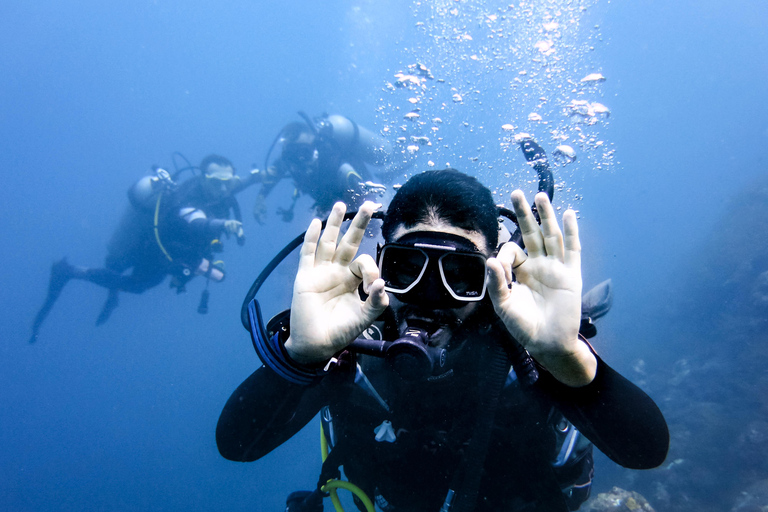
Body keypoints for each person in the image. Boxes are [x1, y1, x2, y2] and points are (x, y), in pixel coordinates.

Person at [216, 169, 669, 511]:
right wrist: (301, 358)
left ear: (495, 273)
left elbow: (647, 450)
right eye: (406, 269)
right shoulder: (350, 343)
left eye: (461, 276)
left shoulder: (526, 346)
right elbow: (238, 447)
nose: (431, 297)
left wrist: (565, 358)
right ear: (378, 264)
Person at [29, 155, 258, 342]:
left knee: (122, 273)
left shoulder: (221, 193)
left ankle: (109, 292)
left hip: (169, 249)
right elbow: (194, 220)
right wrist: (222, 224)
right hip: (154, 249)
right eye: (216, 181)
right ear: (203, 177)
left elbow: (241, 182)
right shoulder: (189, 196)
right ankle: (69, 271)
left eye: (227, 182)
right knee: (138, 285)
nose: (222, 187)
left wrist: (263, 176)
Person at [252, 112, 399, 223]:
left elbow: (351, 178)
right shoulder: (292, 162)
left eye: (305, 153)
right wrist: (261, 198)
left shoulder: (330, 155)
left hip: (354, 197)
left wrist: (368, 215)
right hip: (332, 204)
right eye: (294, 156)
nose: (301, 160)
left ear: (315, 145)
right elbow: (274, 173)